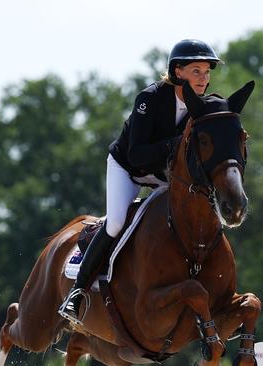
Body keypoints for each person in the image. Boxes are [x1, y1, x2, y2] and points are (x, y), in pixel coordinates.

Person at [58, 39, 222, 325]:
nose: (204, 78)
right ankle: (78, 292)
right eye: (197, 71)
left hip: (163, 175)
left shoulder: (201, 107)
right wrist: (176, 144)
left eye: (207, 72)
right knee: (117, 222)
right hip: (128, 168)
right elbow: (138, 153)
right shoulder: (151, 98)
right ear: (178, 71)